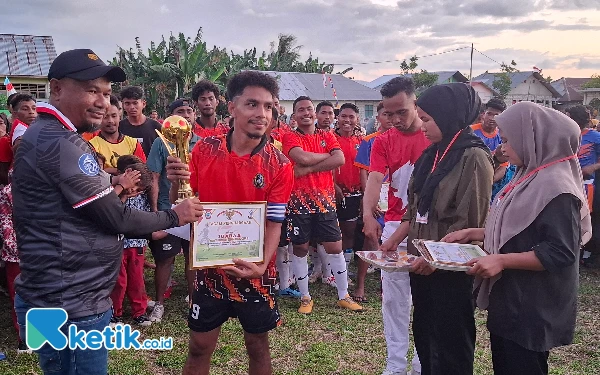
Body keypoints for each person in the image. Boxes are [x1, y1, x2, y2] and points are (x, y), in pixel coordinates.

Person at [11, 48, 204, 375]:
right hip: (71, 303)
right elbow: (117, 217)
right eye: (91, 90)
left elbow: (81, 202)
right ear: (57, 89)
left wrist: (113, 185)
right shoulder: (59, 142)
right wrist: (175, 216)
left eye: (106, 92)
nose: (103, 101)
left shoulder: (50, 136)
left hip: (63, 294)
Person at [443, 102, 592, 375]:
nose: (503, 148)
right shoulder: (530, 175)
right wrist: (477, 233)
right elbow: (521, 228)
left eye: (509, 140)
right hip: (511, 300)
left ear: (534, 138)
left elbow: (560, 252)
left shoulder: (558, 188)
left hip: (532, 307)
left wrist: (500, 259)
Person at [166, 71, 294, 375]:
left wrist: (262, 264)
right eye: (252, 104)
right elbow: (184, 201)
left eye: (268, 106)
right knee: (198, 347)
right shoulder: (203, 150)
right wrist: (176, 181)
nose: (261, 114)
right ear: (232, 107)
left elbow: (274, 222)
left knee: (258, 347)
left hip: (254, 270)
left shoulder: (280, 165)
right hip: (209, 270)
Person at [383, 83, 494, 375]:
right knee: (426, 338)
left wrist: (436, 259)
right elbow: (416, 209)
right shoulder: (432, 154)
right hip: (421, 264)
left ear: (449, 117)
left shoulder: (473, 157)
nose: (423, 126)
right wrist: (393, 242)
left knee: (450, 346)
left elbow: (470, 223)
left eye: (428, 119)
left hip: (449, 272)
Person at [363, 78, 429, 375]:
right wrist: (367, 215)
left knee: (426, 297)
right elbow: (375, 179)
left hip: (429, 229)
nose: (396, 120)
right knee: (393, 299)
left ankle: (420, 361)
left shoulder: (433, 136)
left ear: (415, 104)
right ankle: (395, 363)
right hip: (393, 226)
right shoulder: (384, 140)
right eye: (389, 114)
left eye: (402, 112)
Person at [282, 96, 362, 314]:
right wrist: (325, 157)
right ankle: (306, 297)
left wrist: (307, 168)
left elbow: (340, 160)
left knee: (335, 247)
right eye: (301, 110)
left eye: (309, 109)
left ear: (314, 113)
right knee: (300, 248)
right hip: (298, 203)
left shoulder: (327, 135)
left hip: (326, 203)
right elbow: (301, 156)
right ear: (295, 115)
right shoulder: (289, 136)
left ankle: (343, 295)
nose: (306, 113)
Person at [147, 98, 201, 322]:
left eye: (189, 111)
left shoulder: (200, 143)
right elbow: (154, 178)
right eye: (180, 112)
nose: (186, 115)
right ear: (170, 118)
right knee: (165, 258)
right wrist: (154, 212)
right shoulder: (161, 143)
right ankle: (159, 303)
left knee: (192, 259)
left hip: (195, 210)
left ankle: (193, 302)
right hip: (167, 210)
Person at [351, 101, 392, 302]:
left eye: (393, 114)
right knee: (370, 239)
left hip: (396, 201)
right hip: (376, 198)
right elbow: (363, 172)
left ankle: (388, 285)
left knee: (393, 243)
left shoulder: (403, 139)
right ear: (378, 117)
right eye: (386, 114)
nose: (390, 119)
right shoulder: (370, 141)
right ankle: (360, 285)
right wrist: (369, 200)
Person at [109, 156, 154, 327]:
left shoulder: (142, 198)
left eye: (140, 189)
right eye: (135, 186)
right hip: (117, 244)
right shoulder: (115, 192)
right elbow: (113, 212)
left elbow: (144, 218)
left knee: (137, 279)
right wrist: (124, 195)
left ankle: (139, 312)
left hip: (136, 243)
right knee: (119, 281)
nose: (135, 191)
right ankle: (115, 313)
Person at [566, 105, 600, 267]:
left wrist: (592, 167)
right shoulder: (567, 134)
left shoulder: (595, 137)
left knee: (585, 217)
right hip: (568, 181)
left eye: (568, 116)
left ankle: (586, 252)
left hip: (587, 185)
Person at [333, 103, 363, 283]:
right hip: (332, 192)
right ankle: (329, 270)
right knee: (331, 233)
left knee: (350, 232)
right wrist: (334, 186)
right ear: (338, 118)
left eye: (351, 117)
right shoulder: (330, 139)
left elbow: (365, 169)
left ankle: (343, 270)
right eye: (344, 116)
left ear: (357, 119)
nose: (347, 120)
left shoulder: (362, 141)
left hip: (354, 195)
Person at [89, 94, 146, 175]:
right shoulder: (91, 146)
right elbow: (92, 176)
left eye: (114, 116)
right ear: (99, 118)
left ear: (119, 116)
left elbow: (143, 173)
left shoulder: (133, 143)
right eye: (105, 117)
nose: (110, 121)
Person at [119, 86, 162, 156]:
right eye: (127, 103)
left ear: (143, 104)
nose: (131, 107)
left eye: (135, 103)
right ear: (123, 105)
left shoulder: (156, 127)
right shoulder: (119, 127)